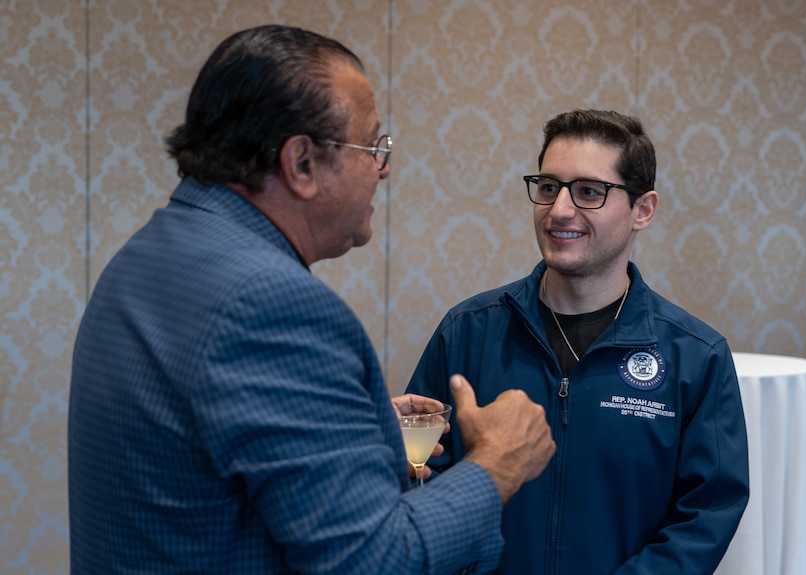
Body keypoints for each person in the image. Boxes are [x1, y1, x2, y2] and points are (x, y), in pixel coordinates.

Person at [67, 25, 555, 575]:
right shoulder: (271, 303)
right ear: (301, 164)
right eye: (373, 147)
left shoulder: (149, 254)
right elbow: (374, 561)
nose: (383, 168)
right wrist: (497, 465)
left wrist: (353, 431)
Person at [406, 109, 749, 574]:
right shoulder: (469, 330)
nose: (560, 209)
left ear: (642, 210)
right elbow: (423, 473)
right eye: (549, 187)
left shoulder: (695, 356)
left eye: (589, 191)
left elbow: (705, 516)